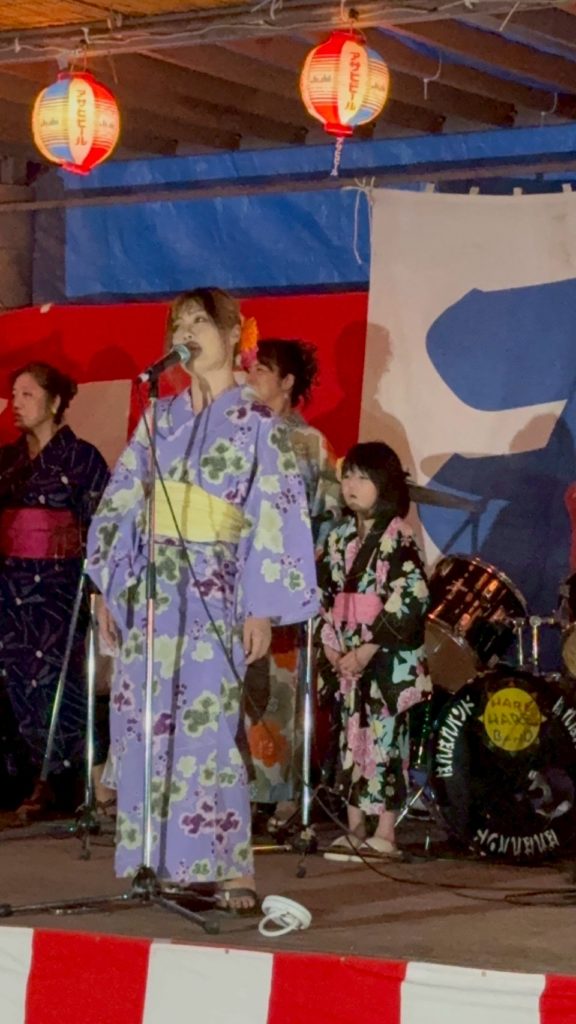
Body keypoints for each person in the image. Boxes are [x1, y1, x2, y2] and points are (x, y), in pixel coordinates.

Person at [87, 288, 318, 912]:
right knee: (146, 723)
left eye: (199, 321)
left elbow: (275, 511)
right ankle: (160, 862)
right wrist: (108, 583)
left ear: (233, 333)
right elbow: (121, 500)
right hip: (151, 591)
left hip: (216, 585)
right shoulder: (158, 418)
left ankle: (231, 867)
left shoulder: (258, 423)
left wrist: (261, 604)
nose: (186, 332)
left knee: (208, 727)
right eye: (178, 324)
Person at [0, 362, 109, 821]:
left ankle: (65, 781)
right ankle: (23, 779)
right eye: (13, 394)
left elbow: (102, 528)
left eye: (27, 394)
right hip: (10, 587)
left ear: (56, 402)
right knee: (11, 680)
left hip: (60, 590)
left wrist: (100, 588)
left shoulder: (82, 459)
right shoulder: (8, 461)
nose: (16, 404)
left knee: (57, 681)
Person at [317, 441, 432, 862]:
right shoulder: (338, 537)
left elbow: (412, 596)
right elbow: (326, 596)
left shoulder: (398, 535)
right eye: (348, 476)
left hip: (383, 654)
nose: (351, 486)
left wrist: (367, 648)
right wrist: (332, 646)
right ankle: (354, 827)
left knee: (384, 741)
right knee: (349, 740)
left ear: (384, 484)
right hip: (348, 653)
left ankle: (386, 829)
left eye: (362, 478)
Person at [245, 339, 340, 831]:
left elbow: (329, 513)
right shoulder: (236, 432)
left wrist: (304, 564)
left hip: (284, 582)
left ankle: (284, 794)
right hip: (237, 578)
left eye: (263, 369)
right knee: (241, 688)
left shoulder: (309, 443)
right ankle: (240, 791)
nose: (252, 376)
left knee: (282, 691)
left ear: (287, 382)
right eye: (251, 368)